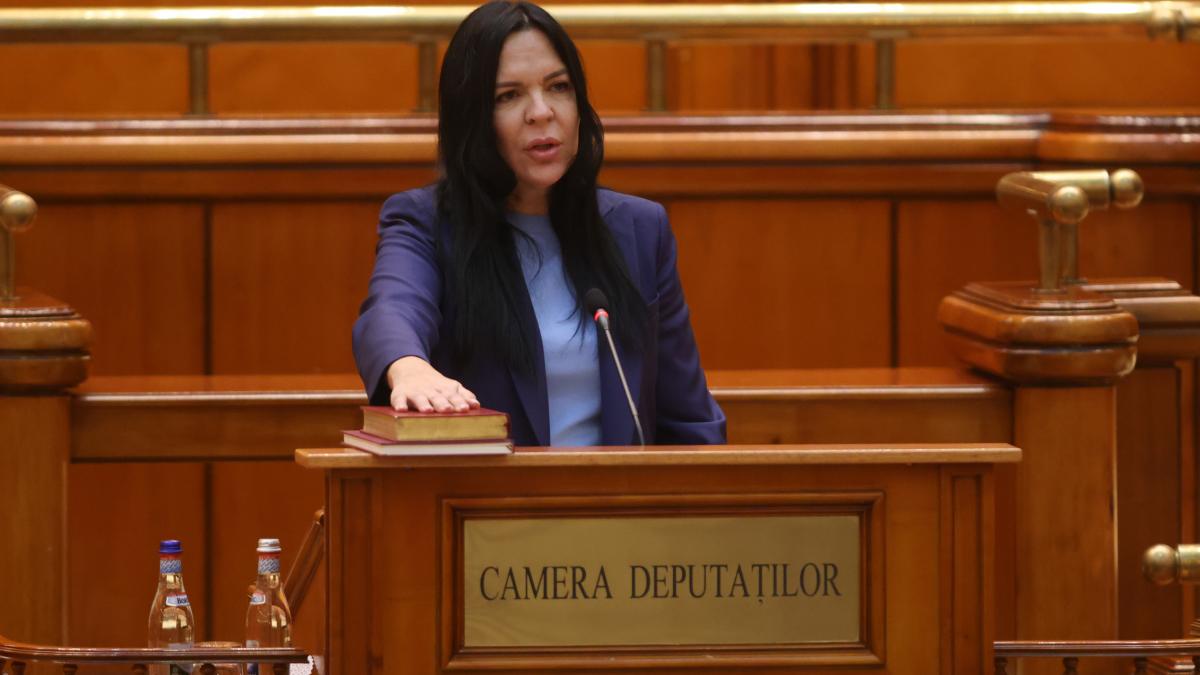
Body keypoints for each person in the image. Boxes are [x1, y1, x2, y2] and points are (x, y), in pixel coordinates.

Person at [352, 0, 725, 447]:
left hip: (618, 492)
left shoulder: (638, 229)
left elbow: (689, 421)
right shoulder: (426, 223)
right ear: (472, 117)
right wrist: (408, 366)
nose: (541, 112)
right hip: (485, 492)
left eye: (558, 87)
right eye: (508, 96)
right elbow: (393, 309)